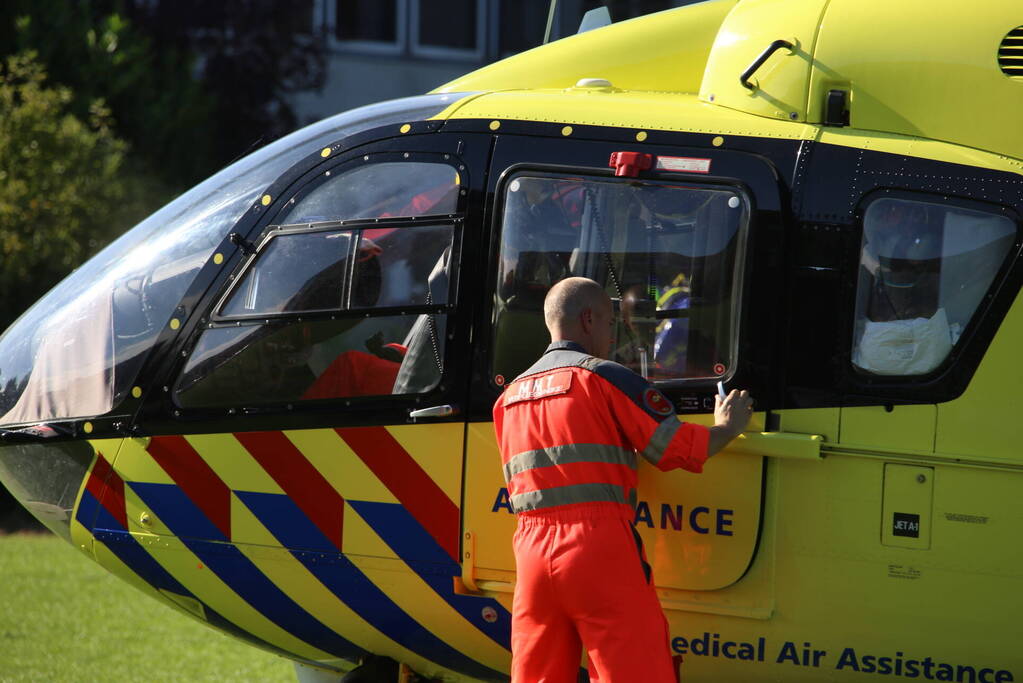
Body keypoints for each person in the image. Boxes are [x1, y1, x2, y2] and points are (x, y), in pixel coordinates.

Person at [492, 277, 753, 683]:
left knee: (538, 674)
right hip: (597, 547)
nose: (612, 335)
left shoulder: (508, 398)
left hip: (530, 552)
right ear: (589, 319)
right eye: (611, 324)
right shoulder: (605, 377)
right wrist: (727, 427)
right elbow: (675, 448)